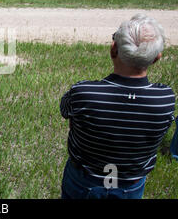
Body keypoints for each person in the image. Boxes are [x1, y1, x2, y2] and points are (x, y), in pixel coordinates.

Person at [60, 14, 175, 199]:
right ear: (156, 58)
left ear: (113, 50)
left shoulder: (83, 91)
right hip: (130, 184)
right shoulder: (165, 98)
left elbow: (65, 111)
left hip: (84, 179)